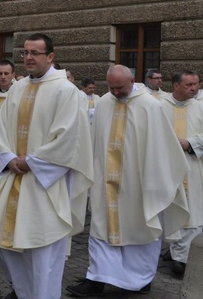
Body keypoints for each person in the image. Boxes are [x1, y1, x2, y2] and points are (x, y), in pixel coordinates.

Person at [67, 65, 189, 297]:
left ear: (133, 80)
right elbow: (94, 140)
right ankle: (96, 280)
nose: (116, 92)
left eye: (120, 87)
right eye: (111, 88)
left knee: (141, 230)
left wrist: (154, 181)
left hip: (138, 184)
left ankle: (141, 279)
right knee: (101, 229)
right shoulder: (104, 103)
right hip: (106, 181)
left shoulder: (150, 106)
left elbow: (162, 148)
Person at [0, 33, 93, 299]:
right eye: (25, 52)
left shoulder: (65, 90)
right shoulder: (17, 87)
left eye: (35, 53)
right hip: (14, 178)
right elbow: (1, 128)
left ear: (50, 56)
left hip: (45, 184)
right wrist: (8, 157)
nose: (28, 58)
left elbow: (69, 138)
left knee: (43, 255)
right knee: (8, 248)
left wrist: (32, 161)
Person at [160, 70, 203, 275]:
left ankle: (183, 257)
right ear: (176, 86)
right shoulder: (160, 105)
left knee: (193, 211)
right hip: (166, 167)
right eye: (189, 85)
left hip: (193, 167)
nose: (194, 88)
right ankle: (174, 248)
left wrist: (191, 143)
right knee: (168, 208)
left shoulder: (201, 106)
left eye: (196, 84)